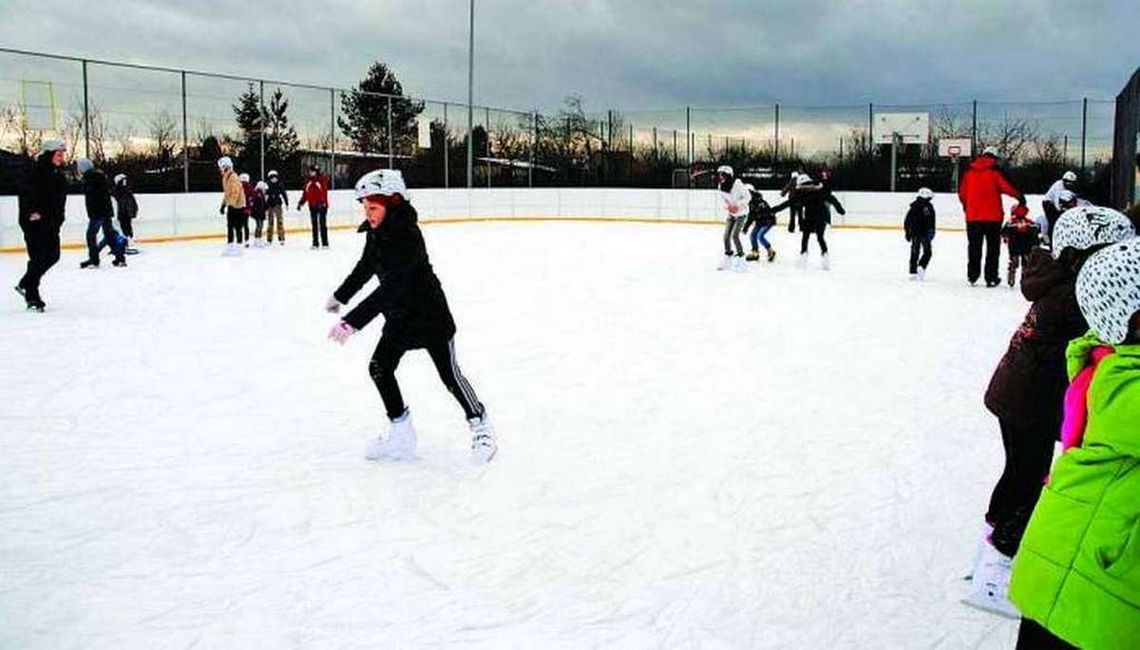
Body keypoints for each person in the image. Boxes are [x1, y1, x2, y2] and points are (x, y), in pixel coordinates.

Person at [964, 206, 1135, 619]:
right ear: (1081, 255)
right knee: (1028, 481)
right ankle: (995, 571)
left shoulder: (1058, 278)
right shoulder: (1075, 296)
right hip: (1029, 402)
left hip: (1019, 396)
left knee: (1019, 475)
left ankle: (988, 554)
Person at [1008, 237, 1140, 649]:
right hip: (1086, 592)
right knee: (1019, 475)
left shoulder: (1107, 362)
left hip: (1076, 573)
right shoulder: (1126, 387)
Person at [325, 169, 497, 464]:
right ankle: (401, 433)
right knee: (380, 367)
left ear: (392, 203)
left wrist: (353, 321)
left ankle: (481, 424)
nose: (368, 213)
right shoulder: (377, 232)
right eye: (365, 207)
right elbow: (366, 266)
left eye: (374, 207)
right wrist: (342, 295)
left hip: (429, 313)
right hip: (400, 316)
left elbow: (393, 287)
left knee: (450, 375)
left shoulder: (408, 237)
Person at [958, 146, 1025, 287]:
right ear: (995, 157)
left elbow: (962, 194)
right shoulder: (995, 172)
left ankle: (972, 275)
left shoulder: (969, 172)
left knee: (974, 247)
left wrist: (967, 208)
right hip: (993, 218)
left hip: (973, 217)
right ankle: (991, 277)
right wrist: (1019, 197)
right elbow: (1007, 187)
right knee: (993, 249)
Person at [15, 139, 68, 312]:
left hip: (52, 222)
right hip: (35, 222)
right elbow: (26, 193)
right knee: (38, 257)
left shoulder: (58, 175)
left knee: (53, 256)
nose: (61, 158)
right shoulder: (35, 172)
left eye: (62, 154)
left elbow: (59, 201)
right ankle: (31, 293)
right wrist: (32, 211)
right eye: (58, 154)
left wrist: (59, 219)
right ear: (48, 155)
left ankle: (25, 283)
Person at [774, 174, 845, 270]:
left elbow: (787, 204)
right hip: (821, 217)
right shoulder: (820, 190)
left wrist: (772, 210)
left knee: (805, 236)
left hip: (810, 217)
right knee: (820, 237)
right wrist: (840, 210)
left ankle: (803, 257)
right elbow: (832, 199)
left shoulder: (801, 193)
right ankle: (825, 258)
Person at [77, 159, 127, 269]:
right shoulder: (99, 175)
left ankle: (94, 260)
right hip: (105, 211)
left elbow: (94, 196)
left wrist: (96, 212)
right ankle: (120, 258)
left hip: (98, 212)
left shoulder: (90, 178)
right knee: (109, 235)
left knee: (91, 236)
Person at [715, 165, 749, 271]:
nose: (721, 177)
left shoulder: (737, 184)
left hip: (742, 213)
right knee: (726, 236)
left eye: (723, 174)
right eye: (720, 174)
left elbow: (748, 196)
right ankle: (728, 256)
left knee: (735, 235)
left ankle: (741, 258)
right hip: (731, 214)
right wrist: (728, 207)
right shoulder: (721, 186)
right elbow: (724, 200)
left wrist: (737, 205)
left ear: (729, 175)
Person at [1001, 204, 1041, 288]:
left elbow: (1004, 231)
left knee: (1014, 262)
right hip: (1026, 246)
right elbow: (1036, 232)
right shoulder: (1030, 223)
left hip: (1014, 246)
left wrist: (1005, 238)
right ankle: (1025, 279)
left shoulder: (1010, 223)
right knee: (1026, 264)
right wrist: (1036, 243)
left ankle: (1012, 277)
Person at [904, 187, 936, 280]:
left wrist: (907, 232)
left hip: (915, 233)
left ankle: (913, 271)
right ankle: (921, 266)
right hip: (924, 233)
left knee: (915, 252)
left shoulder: (913, 207)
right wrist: (932, 231)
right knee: (927, 252)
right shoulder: (928, 207)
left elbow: (907, 221)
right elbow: (931, 221)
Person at [217, 156, 246, 255]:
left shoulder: (233, 176)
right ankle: (230, 246)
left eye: (221, 166)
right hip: (232, 205)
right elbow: (227, 193)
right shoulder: (226, 177)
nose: (220, 169)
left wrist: (232, 204)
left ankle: (239, 248)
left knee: (237, 227)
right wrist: (223, 205)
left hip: (238, 206)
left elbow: (235, 191)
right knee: (230, 226)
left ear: (226, 166)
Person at [743, 185, 778, 262]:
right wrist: (746, 227)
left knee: (760, 236)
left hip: (768, 221)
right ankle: (755, 253)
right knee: (752, 236)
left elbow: (754, 215)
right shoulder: (751, 202)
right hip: (760, 222)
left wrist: (746, 227)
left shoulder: (759, 201)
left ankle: (770, 251)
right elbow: (751, 216)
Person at [298, 165, 330, 249]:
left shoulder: (321, 180)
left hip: (322, 206)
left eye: (313, 171)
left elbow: (323, 192)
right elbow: (305, 194)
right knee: (314, 225)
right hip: (312, 206)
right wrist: (301, 203)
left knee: (322, 224)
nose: (311, 173)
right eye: (310, 171)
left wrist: (322, 203)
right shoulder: (308, 182)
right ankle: (315, 243)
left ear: (316, 172)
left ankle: (325, 243)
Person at [1040, 170, 1077, 234]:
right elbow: (1056, 199)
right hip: (1048, 203)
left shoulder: (1068, 187)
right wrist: (1059, 211)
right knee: (1053, 220)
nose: (1069, 184)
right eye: (1068, 182)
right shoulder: (1059, 185)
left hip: (1056, 204)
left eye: (1071, 183)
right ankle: (1051, 236)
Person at [112, 173, 138, 248]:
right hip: (126, 210)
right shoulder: (125, 190)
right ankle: (128, 241)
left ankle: (128, 242)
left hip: (125, 211)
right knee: (126, 226)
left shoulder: (123, 190)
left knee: (126, 226)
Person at [265, 169, 289, 246]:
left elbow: (284, 194)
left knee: (280, 222)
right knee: (270, 223)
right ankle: (269, 239)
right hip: (270, 206)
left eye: (275, 177)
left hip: (278, 205)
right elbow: (265, 196)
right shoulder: (267, 185)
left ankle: (281, 238)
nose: (274, 178)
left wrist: (286, 203)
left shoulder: (280, 185)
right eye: (272, 177)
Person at [250, 180, 268, 247]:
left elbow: (264, 204)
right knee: (259, 226)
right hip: (258, 213)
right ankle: (257, 240)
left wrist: (266, 209)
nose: (265, 190)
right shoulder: (257, 193)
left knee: (260, 226)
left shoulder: (261, 194)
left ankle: (259, 240)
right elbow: (253, 201)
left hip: (260, 213)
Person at [239, 172, 254, 248]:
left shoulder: (238, 187)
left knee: (241, 225)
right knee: (245, 225)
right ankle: (246, 240)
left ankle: (241, 240)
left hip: (240, 209)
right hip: (245, 209)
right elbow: (252, 200)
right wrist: (250, 208)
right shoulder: (250, 188)